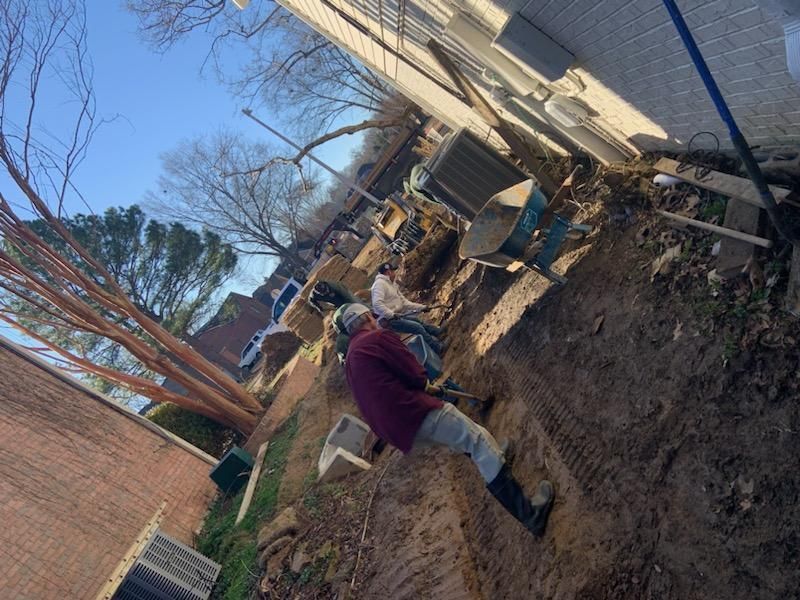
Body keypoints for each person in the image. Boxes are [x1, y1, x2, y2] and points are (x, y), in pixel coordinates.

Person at [341, 303, 555, 536]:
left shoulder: (352, 357)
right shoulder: (377, 339)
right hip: (413, 412)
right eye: (371, 316)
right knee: (475, 442)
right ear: (367, 317)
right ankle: (530, 515)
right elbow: (413, 372)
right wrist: (425, 385)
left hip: (397, 431)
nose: (375, 319)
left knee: (463, 433)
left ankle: (496, 454)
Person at [370, 262, 445, 354]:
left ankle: (439, 333)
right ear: (388, 272)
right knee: (416, 327)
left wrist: (422, 307)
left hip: (396, 315)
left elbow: (404, 303)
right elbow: (377, 304)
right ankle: (437, 348)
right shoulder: (379, 285)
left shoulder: (392, 284)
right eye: (394, 271)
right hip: (388, 320)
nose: (395, 273)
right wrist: (391, 314)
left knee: (417, 321)